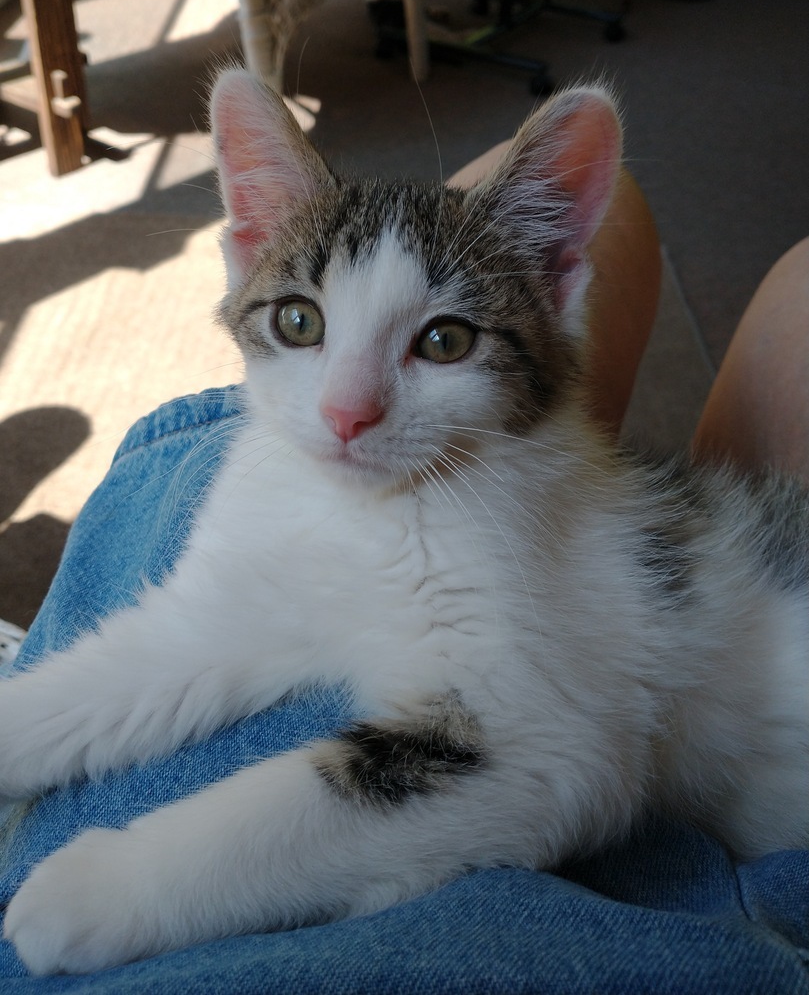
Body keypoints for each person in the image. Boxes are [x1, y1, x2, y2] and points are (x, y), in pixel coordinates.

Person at [0, 149, 806, 992]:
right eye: (301, 325)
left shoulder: (515, 514)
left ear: (550, 283)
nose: (347, 409)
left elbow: (531, 760)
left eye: (441, 339)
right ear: (247, 252)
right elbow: (182, 640)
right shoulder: (263, 469)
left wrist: (152, 886)